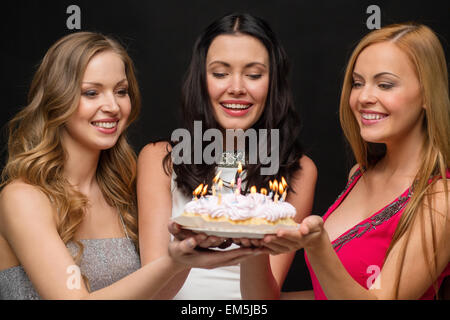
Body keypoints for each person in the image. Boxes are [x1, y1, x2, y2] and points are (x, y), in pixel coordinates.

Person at [0, 31, 258, 300]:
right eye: (91, 92)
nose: (112, 106)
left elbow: (156, 296)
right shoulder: (23, 198)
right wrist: (173, 262)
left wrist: (187, 255)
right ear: (57, 100)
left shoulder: (122, 192)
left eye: (121, 91)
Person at [242, 22, 450, 300]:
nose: (363, 97)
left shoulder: (441, 200)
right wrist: (250, 241)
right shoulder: (360, 174)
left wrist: (318, 248)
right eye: (358, 83)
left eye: (385, 84)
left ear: (427, 94)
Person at [137, 13, 317, 299]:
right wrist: (185, 254)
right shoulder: (160, 159)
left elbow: (262, 301)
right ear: (201, 79)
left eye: (254, 75)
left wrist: (255, 238)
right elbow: (153, 293)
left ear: (273, 83)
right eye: (220, 73)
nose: (236, 87)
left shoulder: (298, 169)